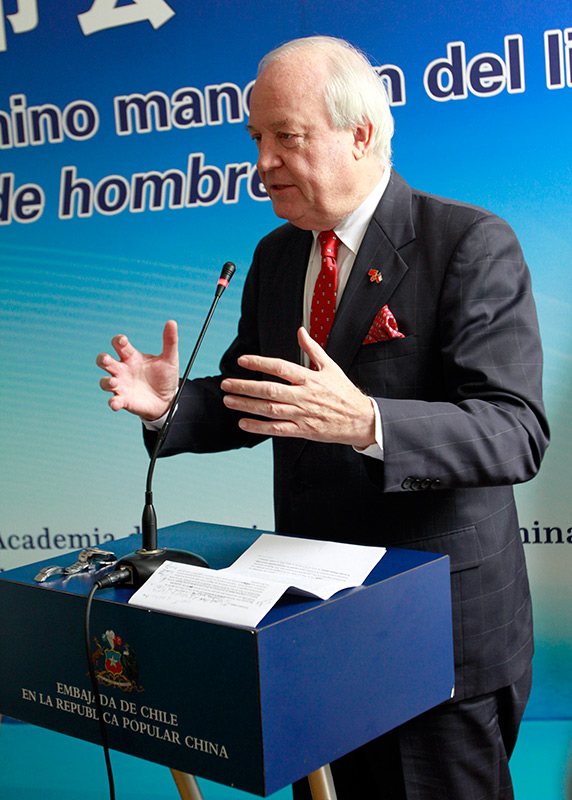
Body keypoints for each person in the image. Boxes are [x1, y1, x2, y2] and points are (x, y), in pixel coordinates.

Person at [97, 35, 549, 800]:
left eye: (286, 137)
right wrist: (173, 405)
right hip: (314, 627)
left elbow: (514, 430)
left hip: (434, 636)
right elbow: (256, 400)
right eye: (257, 139)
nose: (262, 162)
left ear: (361, 135)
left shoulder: (469, 244)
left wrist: (370, 421)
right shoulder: (277, 256)